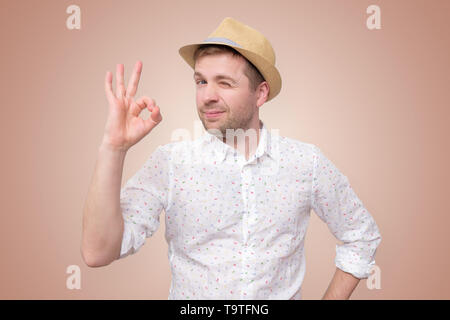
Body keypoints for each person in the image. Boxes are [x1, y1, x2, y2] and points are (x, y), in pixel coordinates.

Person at [81, 17, 382, 300]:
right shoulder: (171, 163)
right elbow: (98, 252)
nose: (207, 96)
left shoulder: (305, 163)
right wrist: (113, 148)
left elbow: (361, 236)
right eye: (201, 81)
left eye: (224, 83)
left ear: (260, 93)